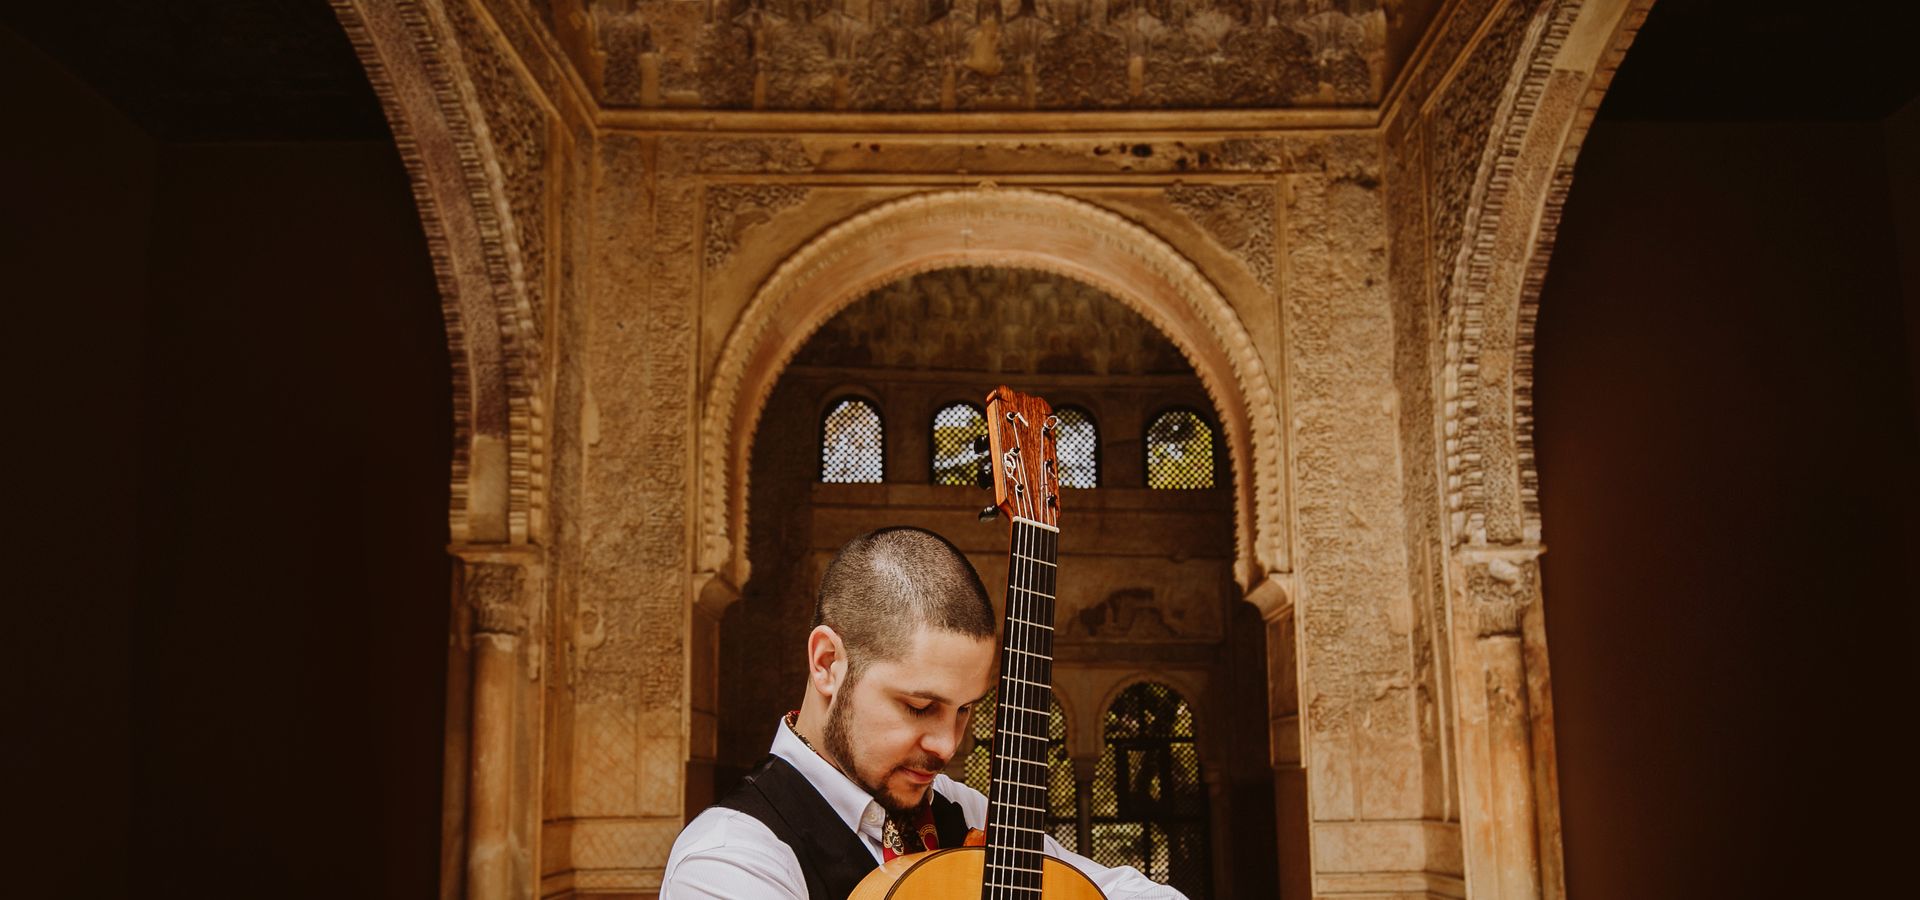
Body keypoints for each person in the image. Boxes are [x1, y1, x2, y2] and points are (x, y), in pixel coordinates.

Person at [663, 527, 1187, 899]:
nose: (947, 745)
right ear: (827, 664)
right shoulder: (731, 860)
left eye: (963, 711)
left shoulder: (971, 817)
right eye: (919, 707)